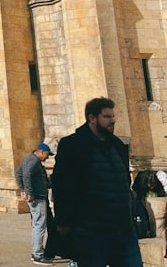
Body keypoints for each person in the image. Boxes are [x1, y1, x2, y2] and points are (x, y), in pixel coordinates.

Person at [52, 97, 143, 267]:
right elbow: (62, 185)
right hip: (90, 230)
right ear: (92, 119)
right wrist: (64, 221)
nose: (112, 121)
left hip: (122, 229)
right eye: (107, 117)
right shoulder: (72, 145)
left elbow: (123, 183)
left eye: (113, 116)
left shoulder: (117, 145)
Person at [15, 142, 53, 264]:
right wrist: (29, 192)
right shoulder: (34, 161)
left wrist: (22, 189)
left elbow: (18, 173)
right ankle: (37, 254)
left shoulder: (28, 159)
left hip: (37, 196)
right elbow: (26, 175)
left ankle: (37, 251)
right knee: (39, 225)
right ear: (41, 152)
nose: (47, 157)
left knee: (38, 224)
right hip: (37, 197)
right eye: (47, 154)